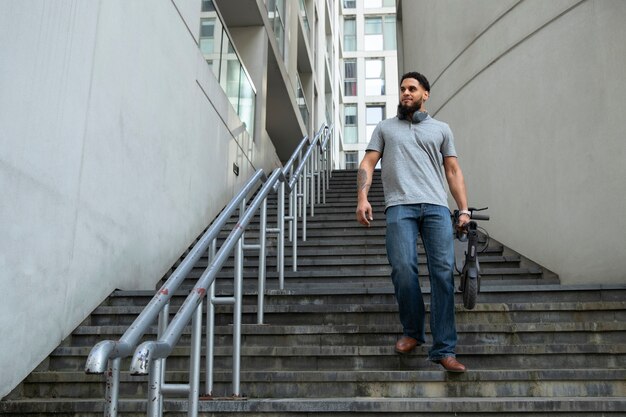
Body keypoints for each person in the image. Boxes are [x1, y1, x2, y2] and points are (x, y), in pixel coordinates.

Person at [355, 71, 470, 372]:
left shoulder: (442, 129)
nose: (406, 93)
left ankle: (444, 349)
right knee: (403, 269)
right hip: (399, 207)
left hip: (435, 207)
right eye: (403, 89)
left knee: (443, 275)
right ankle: (413, 332)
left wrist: (464, 210)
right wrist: (362, 198)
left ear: (425, 94)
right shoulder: (385, 128)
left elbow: (453, 171)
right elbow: (368, 162)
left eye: (412, 88)